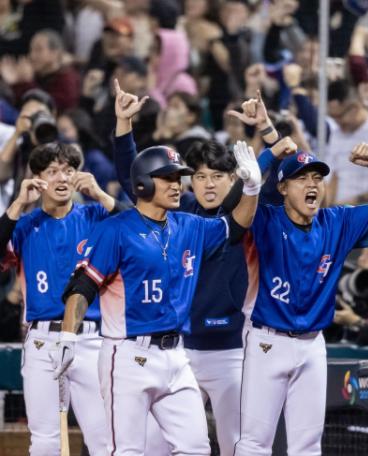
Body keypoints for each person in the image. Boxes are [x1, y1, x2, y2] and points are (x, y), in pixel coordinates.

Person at [52, 80, 261, 455]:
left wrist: (251, 190)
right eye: (168, 178)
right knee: (128, 451)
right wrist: (68, 337)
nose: (178, 184)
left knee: (196, 448)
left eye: (179, 177)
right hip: (127, 355)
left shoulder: (189, 225)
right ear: (144, 185)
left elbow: (235, 228)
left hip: (176, 355)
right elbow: (83, 286)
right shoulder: (117, 229)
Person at [113, 89, 296, 456]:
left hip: (233, 351)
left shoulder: (250, 210)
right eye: (199, 176)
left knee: (237, 446)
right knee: (158, 447)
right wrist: (123, 125)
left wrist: (268, 135)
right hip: (179, 351)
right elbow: (134, 178)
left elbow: (282, 178)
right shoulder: (179, 215)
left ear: (234, 178)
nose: (208, 184)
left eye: (217, 176)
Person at [232, 100, 368, 456]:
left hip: (313, 344)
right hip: (267, 341)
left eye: (317, 178)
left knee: (308, 446)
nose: (312, 184)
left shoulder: (336, 222)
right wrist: (263, 160)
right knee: (254, 443)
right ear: (282, 188)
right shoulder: (265, 218)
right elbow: (233, 211)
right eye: (301, 179)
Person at [0, 142, 117, 455]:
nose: (62, 177)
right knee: (44, 440)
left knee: (104, 437)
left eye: (68, 170)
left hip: (89, 339)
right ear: (37, 178)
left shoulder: (94, 215)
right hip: (42, 341)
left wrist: (101, 194)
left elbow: (139, 227)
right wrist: (17, 204)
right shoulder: (24, 225)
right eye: (52, 171)